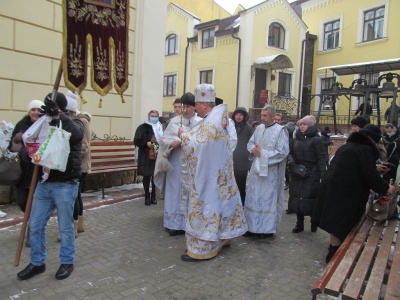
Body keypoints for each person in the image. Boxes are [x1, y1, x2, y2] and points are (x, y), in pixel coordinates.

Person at [17, 92, 84, 280]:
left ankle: (66, 262)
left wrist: (58, 116)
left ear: (61, 108)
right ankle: (37, 263)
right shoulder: (42, 124)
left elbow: (77, 135)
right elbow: (28, 147)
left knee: (65, 227)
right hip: (44, 184)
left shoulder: (73, 122)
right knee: (36, 224)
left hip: (65, 183)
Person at [178, 83, 247, 261]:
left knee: (208, 207)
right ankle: (223, 240)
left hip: (208, 177)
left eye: (197, 105)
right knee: (220, 206)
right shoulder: (217, 120)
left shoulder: (211, 123)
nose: (195, 108)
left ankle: (203, 249)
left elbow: (198, 143)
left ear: (204, 105)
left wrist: (183, 136)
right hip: (218, 174)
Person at [312, 124, 395, 263]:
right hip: (346, 194)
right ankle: (334, 259)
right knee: (340, 226)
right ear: (373, 140)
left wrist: (374, 167)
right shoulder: (364, 150)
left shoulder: (348, 146)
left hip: (334, 191)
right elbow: (369, 176)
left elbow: (355, 166)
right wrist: (386, 188)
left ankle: (334, 255)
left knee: (336, 225)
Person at [154, 92, 202, 236]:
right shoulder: (174, 122)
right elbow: (164, 139)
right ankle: (173, 224)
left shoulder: (201, 122)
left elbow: (202, 142)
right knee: (175, 191)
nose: (185, 109)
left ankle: (190, 223)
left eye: (188, 106)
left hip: (193, 164)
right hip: (176, 164)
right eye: (183, 106)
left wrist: (185, 139)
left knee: (192, 192)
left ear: (195, 107)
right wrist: (172, 143)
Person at [244, 105, 289, 238]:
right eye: (261, 115)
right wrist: (254, 150)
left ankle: (265, 230)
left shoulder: (280, 131)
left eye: (265, 116)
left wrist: (262, 153)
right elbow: (250, 143)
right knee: (253, 198)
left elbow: (282, 152)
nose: (262, 118)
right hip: (256, 172)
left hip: (270, 174)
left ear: (273, 116)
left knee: (266, 200)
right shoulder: (259, 128)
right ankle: (251, 227)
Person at [8, 99, 45, 247]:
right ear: (29, 111)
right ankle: (31, 221)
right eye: (33, 109)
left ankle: (32, 230)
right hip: (23, 172)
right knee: (22, 201)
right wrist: (16, 140)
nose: (36, 112)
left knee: (36, 203)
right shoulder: (21, 124)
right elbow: (11, 148)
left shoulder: (44, 125)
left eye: (38, 110)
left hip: (39, 171)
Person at [288, 115, 326, 233]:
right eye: (301, 124)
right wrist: (291, 161)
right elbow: (290, 153)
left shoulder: (317, 140)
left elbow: (321, 157)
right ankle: (299, 223)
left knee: (311, 198)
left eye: (304, 124)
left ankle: (313, 223)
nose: (302, 126)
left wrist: (322, 173)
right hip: (298, 172)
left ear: (310, 126)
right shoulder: (296, 139)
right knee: (298, 198)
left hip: (312, 173)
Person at [66, 91, 92, 235]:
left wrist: (70, 157)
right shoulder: (76, 120)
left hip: (79, 165)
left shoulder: (82, 122)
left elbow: (84, 145)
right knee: (76, 195)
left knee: (73, 195)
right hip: (76, 164)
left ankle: (73, 227)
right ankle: (79, 224)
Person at [134, 109, 163, 206]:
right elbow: (137, 140)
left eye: (156, 116)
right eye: (152, 116)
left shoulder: (160, 127)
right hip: (146, 155)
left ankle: (154, 196)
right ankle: (147, 196)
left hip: (157, 154)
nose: (154, 118)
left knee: (155, 176)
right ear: (149, 117)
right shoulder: (143, 127)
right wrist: (146, 143)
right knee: (147, 176)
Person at [232, 107, 254, 206]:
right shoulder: (230, 127)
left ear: (244, 116)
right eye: (237, 115)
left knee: (241, 186)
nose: (238, 117)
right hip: (231, 160)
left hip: (243, 162)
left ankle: (242, 205)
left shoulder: (249, 129)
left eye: (241, 115)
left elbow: (252, 143)